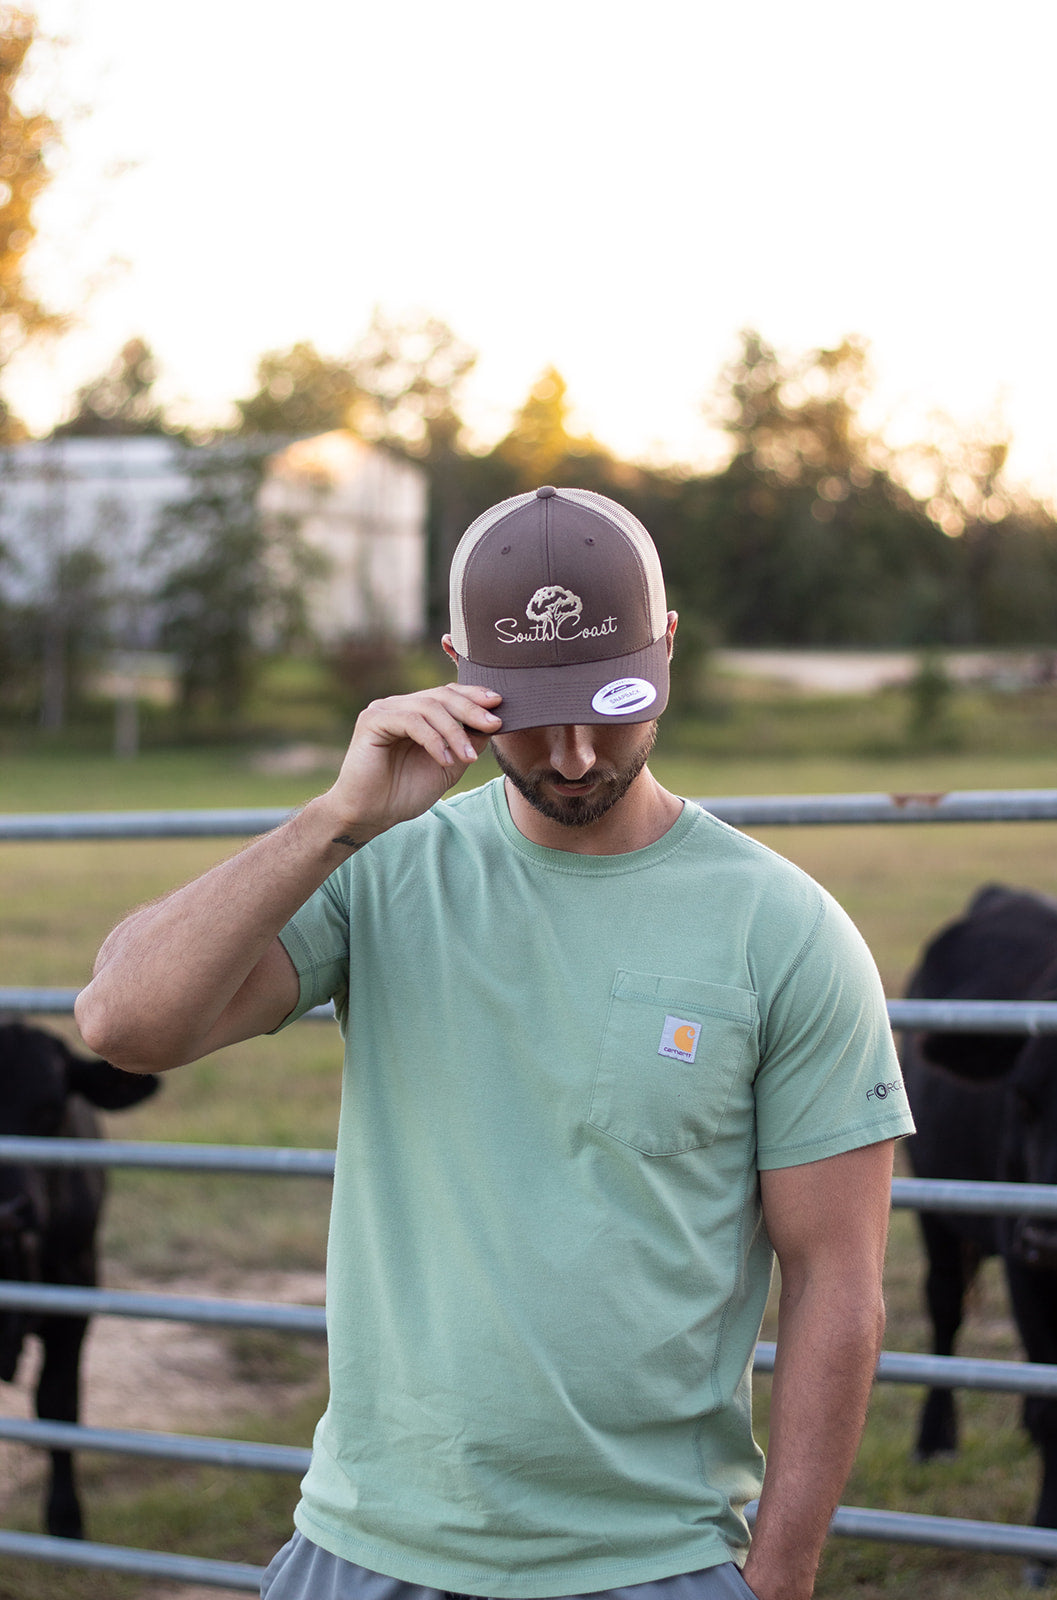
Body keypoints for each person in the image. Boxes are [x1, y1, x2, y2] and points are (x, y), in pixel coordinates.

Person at [77, 485, 914, 1600]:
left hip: (648, 1563)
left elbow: (836, 1282)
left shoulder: (784, 929)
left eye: (613, 702)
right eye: (529, 712)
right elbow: (122, 1024)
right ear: (454, 669)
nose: (572, 754)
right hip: (365, 1546)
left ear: (665, 647)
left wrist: (779, 1578)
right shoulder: (378, 868)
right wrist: (335, 821)